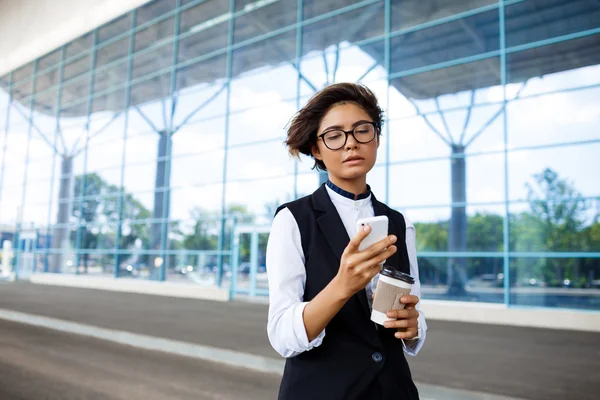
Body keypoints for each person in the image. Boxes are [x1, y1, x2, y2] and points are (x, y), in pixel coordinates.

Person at [266, 83, 426, 400]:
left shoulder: (399, 223)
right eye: (335, 135)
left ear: (377, 138)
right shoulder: (293, 219)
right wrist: (343, 285)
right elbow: (282, 335)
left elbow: (414, 314)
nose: (351, 144)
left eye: (361, 131)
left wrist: (412, 327)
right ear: (316, 149)